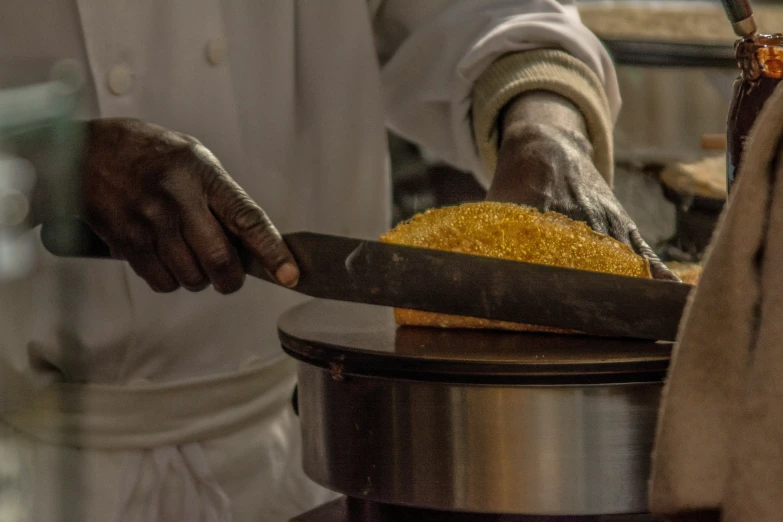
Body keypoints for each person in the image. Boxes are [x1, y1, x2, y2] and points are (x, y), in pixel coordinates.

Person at [0, 1, 673, 521]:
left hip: (284, 459)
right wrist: (39, 155)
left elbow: (477, 10)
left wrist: (540, 123)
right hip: (23, 474)